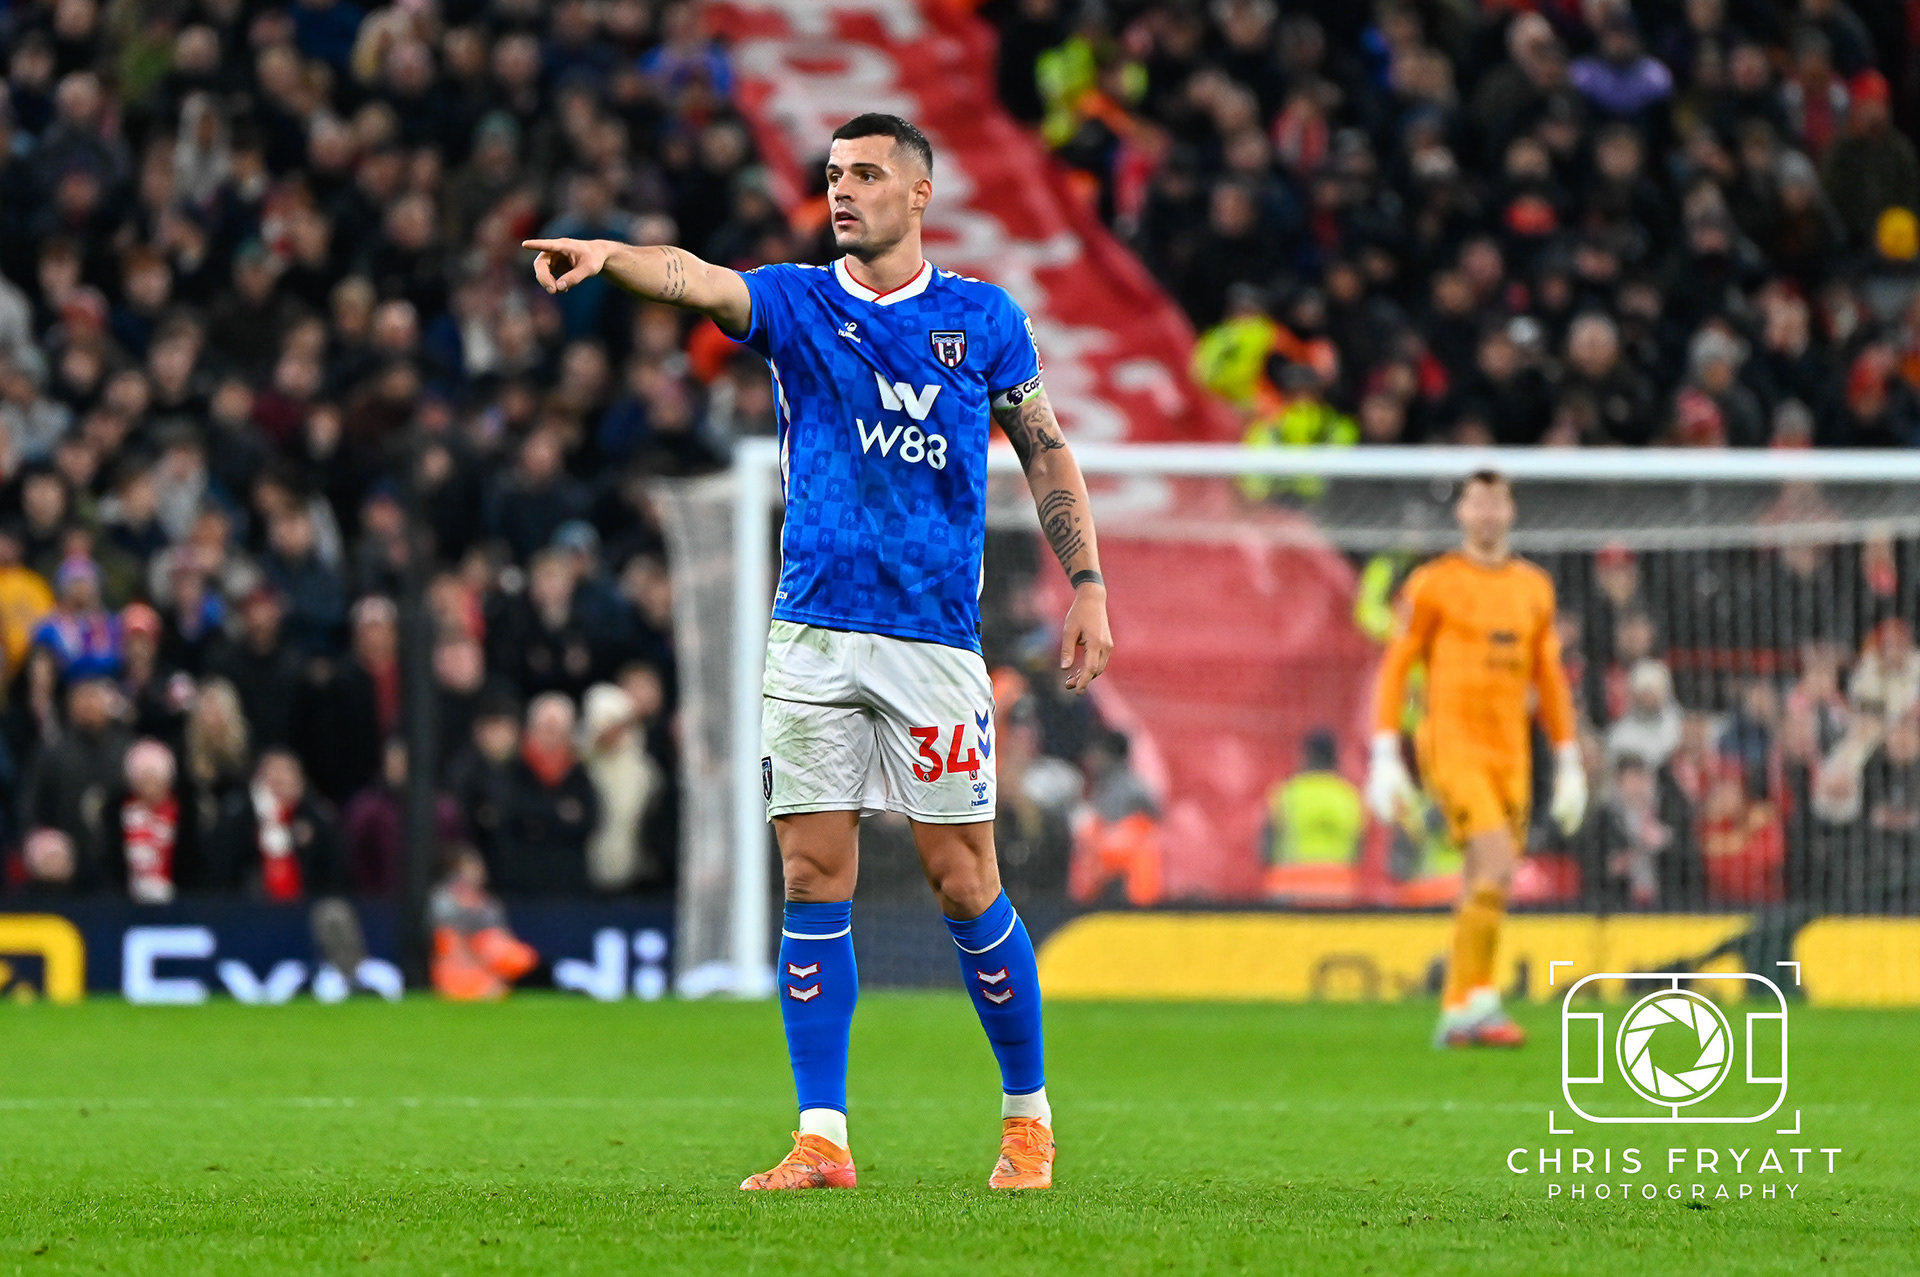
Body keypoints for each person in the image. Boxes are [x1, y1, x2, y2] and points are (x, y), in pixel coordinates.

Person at [525, 112, 1113, 1192]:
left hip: (933, 641)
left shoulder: (982, 319)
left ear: (920, 192)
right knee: (810, 874)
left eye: (868, 174)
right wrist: (613, 257)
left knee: (963, 880)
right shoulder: (799, 301)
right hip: (810, 635)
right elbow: (699, 280)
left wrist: (1087, 583)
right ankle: (822, 1135)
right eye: (835, 173)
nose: (843, 190)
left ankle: (1028, 1120)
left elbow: (1045, 451)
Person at [1366, 471, 1585, 1048]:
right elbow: (1397, 664)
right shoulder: (1434, 583)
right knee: (1496, 866)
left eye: (1496, 502)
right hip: (1453, 745)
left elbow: (1549, 678)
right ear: (1461, 513)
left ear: (1511, 511)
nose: (1487, 513)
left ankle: (1461, 1006)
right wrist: (1385, 751)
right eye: (1477, 502)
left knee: (1485, 882)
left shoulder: (1534, 588)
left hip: (1511, 752)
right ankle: (1479, 1002)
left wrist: (1568, 759)